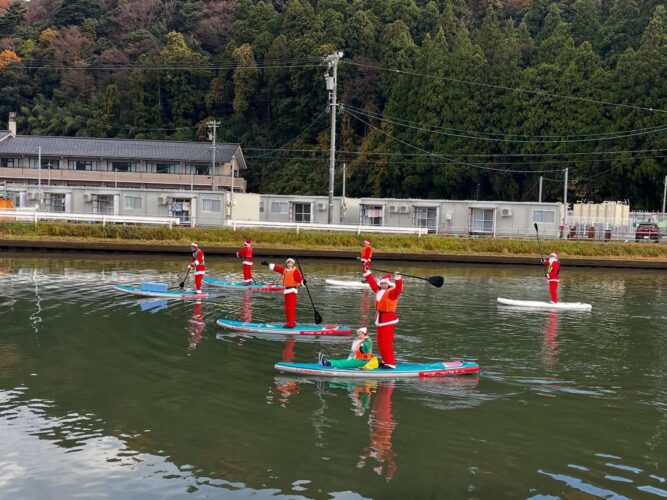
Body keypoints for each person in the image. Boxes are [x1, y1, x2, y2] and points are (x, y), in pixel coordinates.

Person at [363, 269, 403, 369]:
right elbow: (372, 283)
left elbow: (398, 290)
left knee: (386, 342)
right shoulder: (379, 291)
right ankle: (385, 361)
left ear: (388, 284)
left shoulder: (391, 293)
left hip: (388, 319)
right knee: (380, 342)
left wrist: (398, 278)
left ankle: (391, 363)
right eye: (381, 284)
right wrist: (367, 272)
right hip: (380, 319)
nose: (383, 285)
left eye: (385, 284)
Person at [261, 258, 305, 328]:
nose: (289, 264)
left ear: (293, 264)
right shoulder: (285, 270)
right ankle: (291, 322)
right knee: (287, 308)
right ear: (286, 264)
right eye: (288, 263)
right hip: (287, 291)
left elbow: (299, 278)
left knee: (290, 308)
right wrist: (268, 264)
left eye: (291, 263)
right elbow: (277, 268)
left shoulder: (295, 271)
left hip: (292, 290)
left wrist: (303, 282)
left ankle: (290, 324)